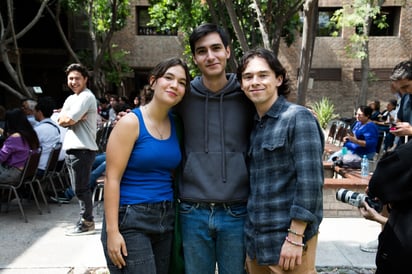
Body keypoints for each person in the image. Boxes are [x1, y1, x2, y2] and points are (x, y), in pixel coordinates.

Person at [174, 23, 255, 274]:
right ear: (195, 58)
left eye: (216, 48)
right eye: (202, 51)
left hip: (237, 211)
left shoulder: (247, 94)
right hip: (192, 211)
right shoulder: (182, 96)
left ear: (228, 52)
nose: (210, 56)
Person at [237, 48, 324, 274]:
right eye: (248, 77)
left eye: (262, 75)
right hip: (257, 242)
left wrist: (295, 237)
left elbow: (311, 182)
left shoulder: (297, 118)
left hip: (290, 243)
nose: (255, 82)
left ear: (278, 79)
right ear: (241, 84)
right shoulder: (254, 125)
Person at [101, 57, 190, 273]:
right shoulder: (130, 122)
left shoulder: (176, 123)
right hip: (131, 218)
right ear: (153, 81)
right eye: (168, 78)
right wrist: (112, 232)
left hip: (165, 217)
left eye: (181, 82)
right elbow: (111, 179)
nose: (174, 85)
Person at [58, 63, 99, 235]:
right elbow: (61, 119)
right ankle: (85, 220)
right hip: (73, 149)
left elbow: (69, 120)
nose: (73, 81)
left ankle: (87, 222)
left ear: (85, 80)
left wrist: (69, 118)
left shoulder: (86, 97)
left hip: (82, 149)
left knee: (81, 189)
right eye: (71, 78)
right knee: (78, 188)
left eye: (77, 78)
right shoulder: (72, 99)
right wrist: (67, 118)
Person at [0, 108, 40, 185]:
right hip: (25, 173)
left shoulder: (15, 137)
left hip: (13, 174)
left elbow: (1, 157)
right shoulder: (31, 134)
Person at [33, 97, 61, 175]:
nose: (33, 113)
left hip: (38, 168)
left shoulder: (39, 130)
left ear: (39, 112)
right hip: (49, 167)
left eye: (35, 111)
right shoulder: (55, 127)